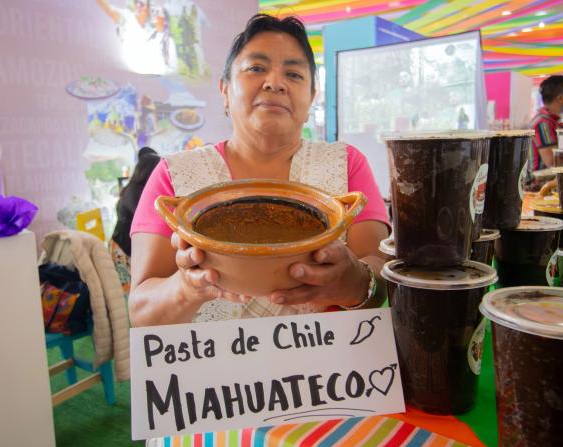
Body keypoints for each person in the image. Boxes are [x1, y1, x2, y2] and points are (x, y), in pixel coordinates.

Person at [128, 14, 390, 328]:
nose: (275, 82)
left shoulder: (347, 163)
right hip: (210, 372)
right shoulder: (172, 173)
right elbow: (142, 314)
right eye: (256, 68)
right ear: (224, 89)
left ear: (312, 98)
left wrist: (354, 281)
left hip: (328, 373)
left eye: (294, 74)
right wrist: (186, 288)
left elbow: (379, 280)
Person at [109, 147, 160, 296]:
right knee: (130, 292)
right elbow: (150, 217)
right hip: (122, 248)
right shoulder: (134, 191)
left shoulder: (136, 189)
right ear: (149, 171)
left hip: (125, 246)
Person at [525, 74, 563, 191]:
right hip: (539, 188)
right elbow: (552, 161)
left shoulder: (556, 121)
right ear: (560, 99)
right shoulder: (543, 123)